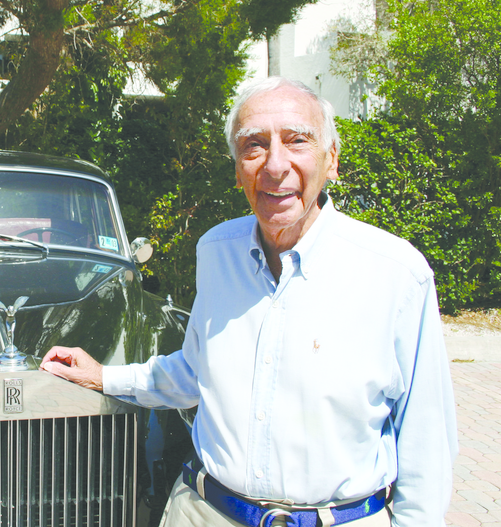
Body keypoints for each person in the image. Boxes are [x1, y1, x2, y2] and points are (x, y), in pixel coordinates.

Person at [41, 77, 458, 527]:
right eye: (254, 145)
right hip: (203, 513)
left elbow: (427, 442)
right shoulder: (216, 251)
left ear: (332, 160)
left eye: (297, 140)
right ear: (238, 169)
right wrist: (104, 376)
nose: (275, 165)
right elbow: (197, 371)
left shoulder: (396, 274)